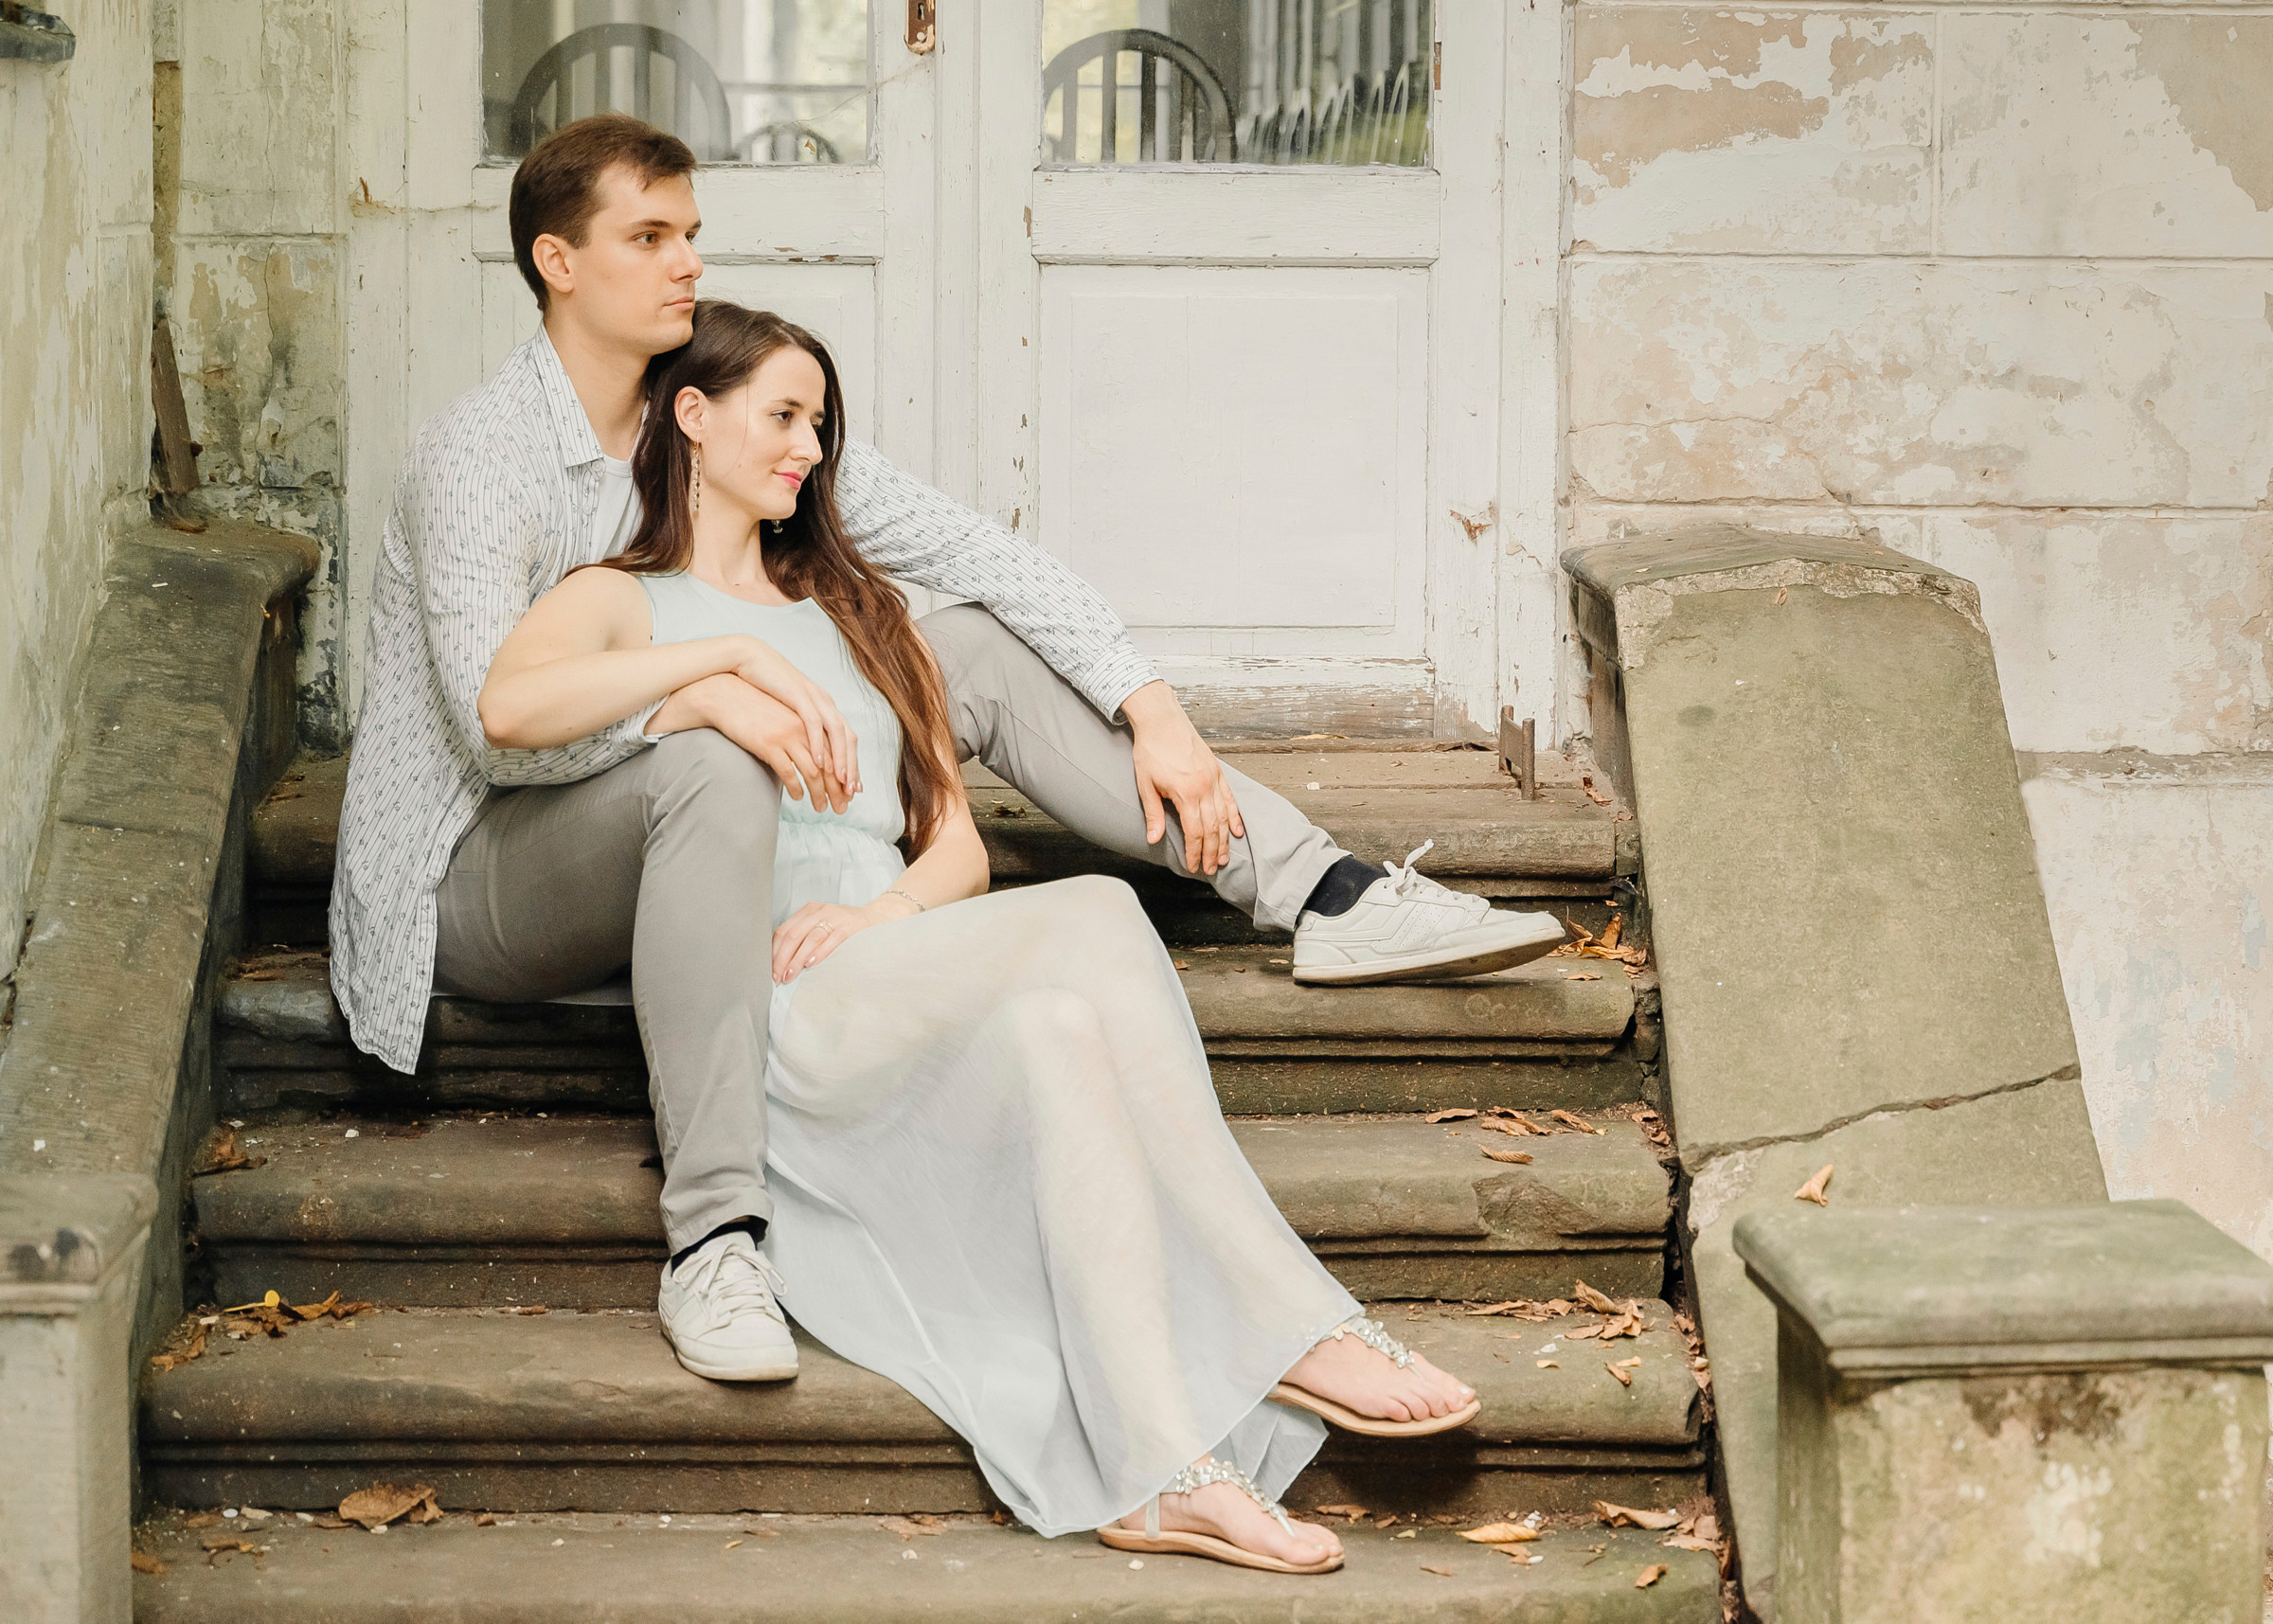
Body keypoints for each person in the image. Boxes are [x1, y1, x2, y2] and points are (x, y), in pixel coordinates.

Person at [330, 114, 1564, 1393]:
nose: (688, 263)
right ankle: (713, 1240)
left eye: (693, 234)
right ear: (557, 263)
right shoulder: (481, 459)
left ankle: (1318, 890)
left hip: (701, 851)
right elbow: (506, 742)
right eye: (649, 237)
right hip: (480, 872)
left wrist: (1152, 703)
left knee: (952, 639)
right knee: (711, 761)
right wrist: (707, 695)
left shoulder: (717, 421)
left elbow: (982, 556)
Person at [477, 298, 1481, 1574]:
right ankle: (1288, 1326)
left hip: (877, 957)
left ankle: (1161, 1465)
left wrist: (882, 910)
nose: (807, 447)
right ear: (692, 415)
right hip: (768, 995)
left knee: (1065, 1024)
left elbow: (950, 842)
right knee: (1104, 914)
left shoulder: (864, 617)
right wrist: (715, 666)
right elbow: (511, 704)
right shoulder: (623, 601)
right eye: (782, 416)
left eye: (820, 426)